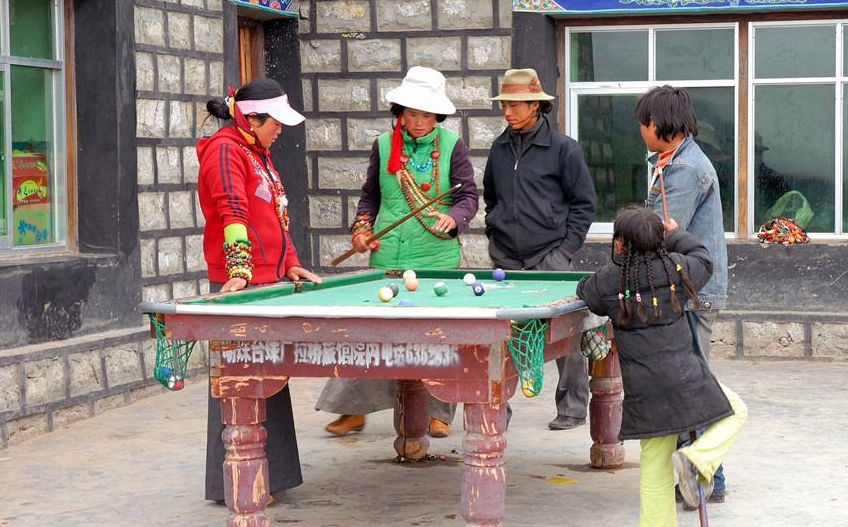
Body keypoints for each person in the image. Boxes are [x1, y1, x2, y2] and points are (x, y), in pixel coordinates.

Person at [576, 206, 747, 527]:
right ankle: (698, 459)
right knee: (735, 411)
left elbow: (585, 292)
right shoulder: (677, 268)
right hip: (686, 376)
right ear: (659, 241)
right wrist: (675, 232)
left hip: (643, 388)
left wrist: (614, 270)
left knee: (654, 457)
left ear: (620, 244)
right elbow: (705, 258)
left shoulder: (611, 281)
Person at [316, 67, 478, 438]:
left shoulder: (453, 147)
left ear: (437, 115)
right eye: (412, 113)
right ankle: (351, 410)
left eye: (426, 114)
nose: (419, 122)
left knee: (437, 336)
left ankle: (439, 412)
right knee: (371, 334)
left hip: (435, 259)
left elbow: (468, 196)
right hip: (388, 258)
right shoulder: (383, 145)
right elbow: (370, 197)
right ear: (399, 111)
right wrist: (361, 230)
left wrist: (454, 218)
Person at [198, 78, 322, 502]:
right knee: (239, 384)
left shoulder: (256, 151)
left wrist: (290, 264)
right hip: (241, 280)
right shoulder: (224, 150)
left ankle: (273, 477)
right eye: (275, 122)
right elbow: (230, 209)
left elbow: (274, 217)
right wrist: (239, 268)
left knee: (269, 381)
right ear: (251, 118)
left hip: (267, 277)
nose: (280, 130)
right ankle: (233, 484)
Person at [483, 68, 597, 430]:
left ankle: (573, 409)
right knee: (501, 338)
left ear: (536, 104)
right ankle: (499, 408)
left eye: (516, 104)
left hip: (551, 258)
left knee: (567, 337)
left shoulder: (564, 148)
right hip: (505, 261)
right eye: (505, 104)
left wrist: (563, 252)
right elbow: (491, 199)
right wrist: (494, 234)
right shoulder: (499, 149)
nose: (508, 112)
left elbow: (584, 205)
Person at [636, 85, 730, 504]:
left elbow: (657, 231)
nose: (640, 130)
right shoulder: (666, 161)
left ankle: (708, 478)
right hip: (683, 287)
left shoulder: (686, 170)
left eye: (643, 123)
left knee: (690, 385)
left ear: (658, 126)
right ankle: (702, 476)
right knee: (686, 383)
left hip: (693, 291)